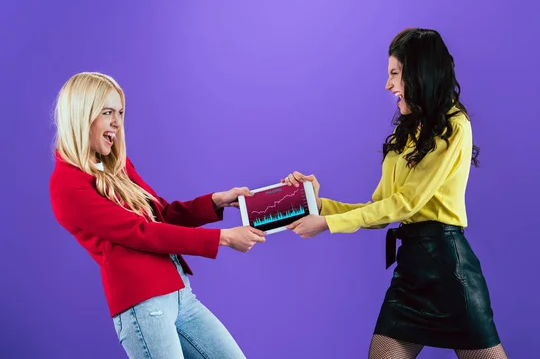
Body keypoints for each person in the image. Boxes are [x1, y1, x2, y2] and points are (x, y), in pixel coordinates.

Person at [281, 28, 508, 359]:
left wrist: (327, 224)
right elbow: (380, 209)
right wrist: (314, 203)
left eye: (394, 74)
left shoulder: (455, 125)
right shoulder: (407, 131)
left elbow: (405, 204)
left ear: (418, 72)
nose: (388, 85)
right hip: (411, 269)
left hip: (448, 268)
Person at [49, 72, 266, 359]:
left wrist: (218, 201)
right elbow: (141, 232)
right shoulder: (67, 185)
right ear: (81, 115)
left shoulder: (115, 165)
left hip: (181, 296)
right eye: (107, 112)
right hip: (144, 308)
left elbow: (160, 215)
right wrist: (222, 239)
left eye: (120, 112)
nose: (117, 122)